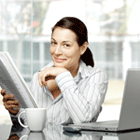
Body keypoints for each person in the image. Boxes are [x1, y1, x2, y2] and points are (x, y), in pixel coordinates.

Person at [1, 17, 108, 124]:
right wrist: (15, 112)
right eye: (54, 43)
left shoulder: (95, 77)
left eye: (66, 45)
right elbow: (30, 125)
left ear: (83, 48)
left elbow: (83, 119)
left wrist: (62, 75)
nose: (56, 51)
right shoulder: (38, 77)